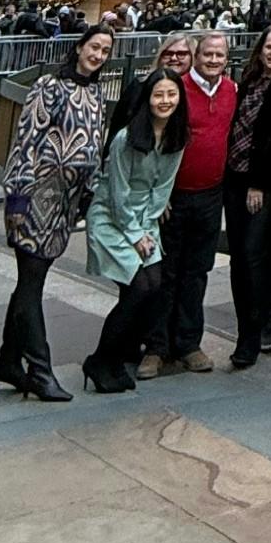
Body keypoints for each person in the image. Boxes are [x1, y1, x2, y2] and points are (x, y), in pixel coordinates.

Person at [0, 23, 115, 402]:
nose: (98, 55)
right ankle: (40, 369)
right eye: (94, 47)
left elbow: (95, 148)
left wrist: (88, 194)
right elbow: (26, 140)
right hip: (35, 197)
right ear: (79, 47)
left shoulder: (95, 94)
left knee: (31, 282)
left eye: (105, 51)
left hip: (65, 203)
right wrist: (17, 195)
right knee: (31, 282)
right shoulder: (49, 87)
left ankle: (9, 362)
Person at [83, 70, 190, 392]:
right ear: (147, 99)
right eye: (158, 94)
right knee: (139, 288)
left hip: (146, 220)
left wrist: (147, 228)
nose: (165, 101)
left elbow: (163, 188)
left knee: (154, 288)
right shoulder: (126, 139)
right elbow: (117, 191)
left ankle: (114, 358)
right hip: (112, 218)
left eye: (172, 94)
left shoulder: (177, 136)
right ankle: (102, 359)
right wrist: (134, 233)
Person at [140, 31, 237, 380]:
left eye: (219, 56)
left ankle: (188, 343)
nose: (213, 61)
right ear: (196, 56)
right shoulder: (176, 89)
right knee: (165, 271)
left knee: (197, 271)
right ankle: (156, 346)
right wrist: (158, 194)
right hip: (173, 196)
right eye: (208, 54)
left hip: (210, 194)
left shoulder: (230, 91)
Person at [223, 23, 271, 369]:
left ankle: (252, 335)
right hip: (234, 176)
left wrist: (258, 181)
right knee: (240, 256)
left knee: (255, 257)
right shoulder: (249, 82)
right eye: (268, 47)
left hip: (265, 183)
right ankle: (249, 326)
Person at [109, 33, 195, 146]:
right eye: (168, 54)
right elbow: (118, 124)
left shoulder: (197, 91)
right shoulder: (139, 86)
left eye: (181, 54)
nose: (174, 58)